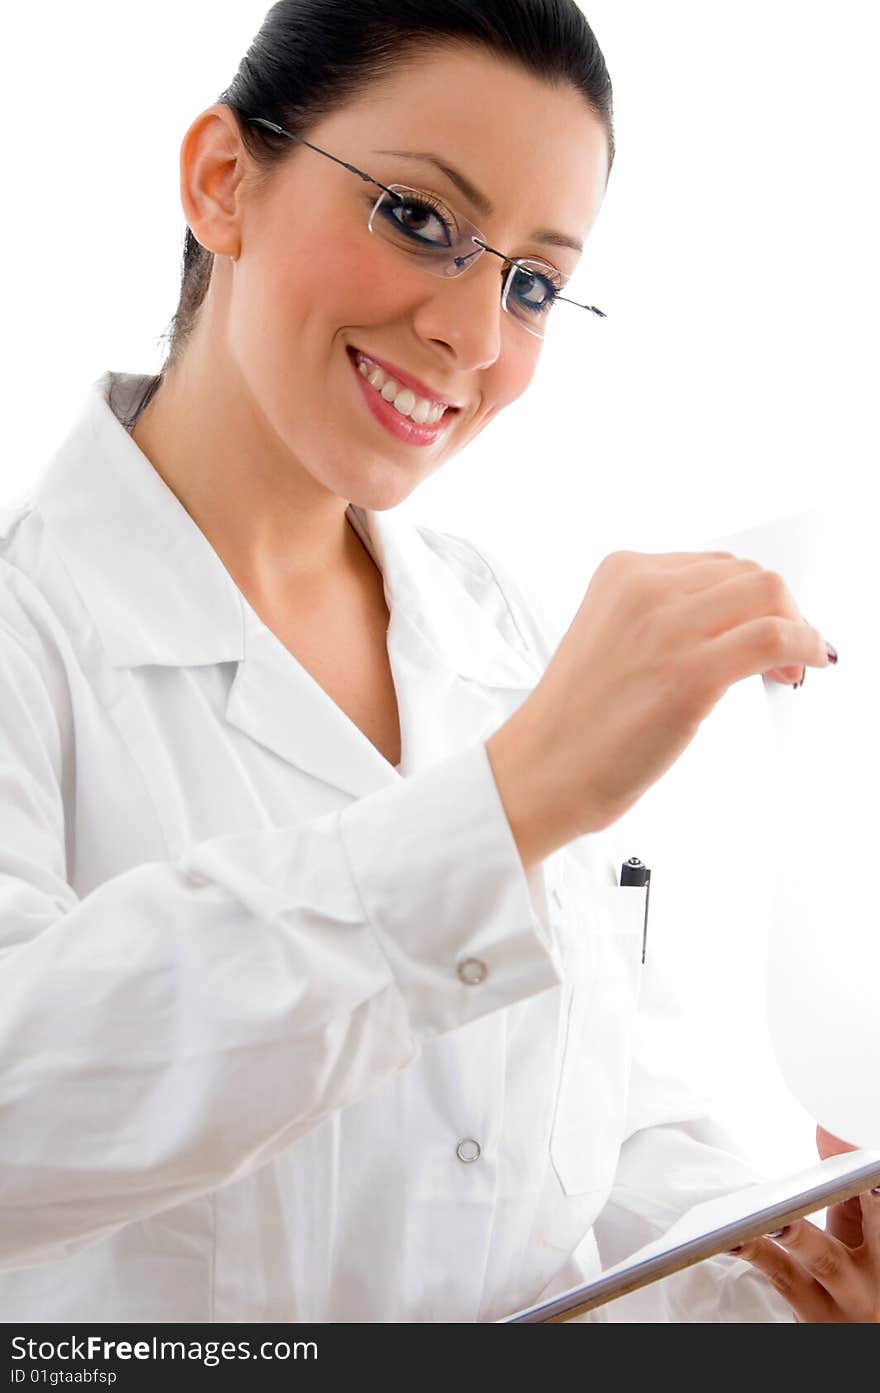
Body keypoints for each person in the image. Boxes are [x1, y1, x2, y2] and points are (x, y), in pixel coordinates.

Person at [0, 0, 874, 1325]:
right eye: (418, 218)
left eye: (531, 280)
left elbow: (601, 1145)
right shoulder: (30, 628)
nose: (473, 334)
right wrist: (511, 800)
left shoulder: (506, 636)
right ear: (222, 181)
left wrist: (791, 1282)